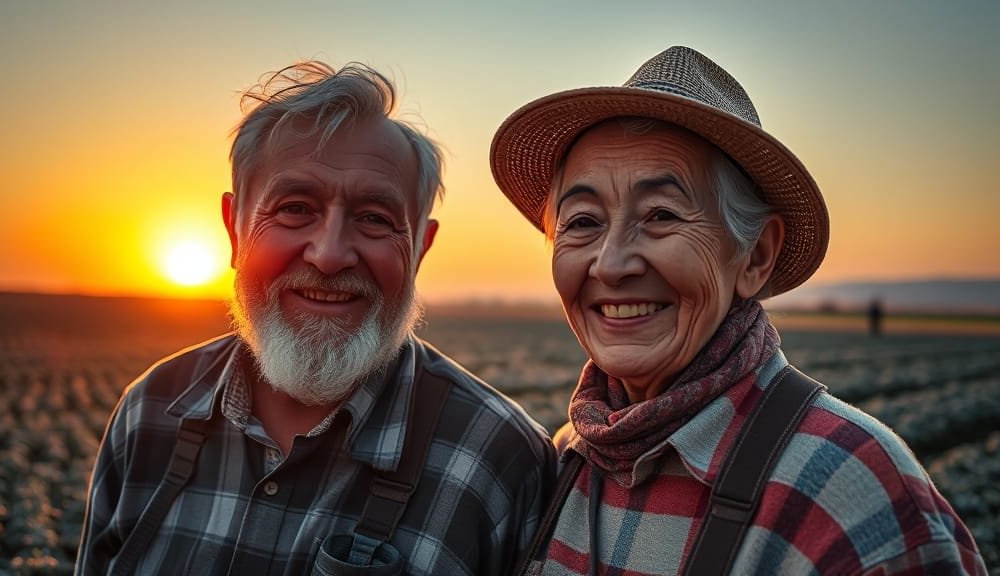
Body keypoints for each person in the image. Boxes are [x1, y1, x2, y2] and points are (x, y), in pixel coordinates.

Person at [491, 46, 986, 575]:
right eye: (583, 221)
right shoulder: (567, 461)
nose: (610, 265)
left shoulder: (854, 492)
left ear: (755, 256)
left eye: (661, 214)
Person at [76, 60, 555, 575]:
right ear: (234, 231)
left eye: (375, 218)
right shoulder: (150, 410)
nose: (329, 256)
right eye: (294, 208)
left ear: (420, 249)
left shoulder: (499, 460)